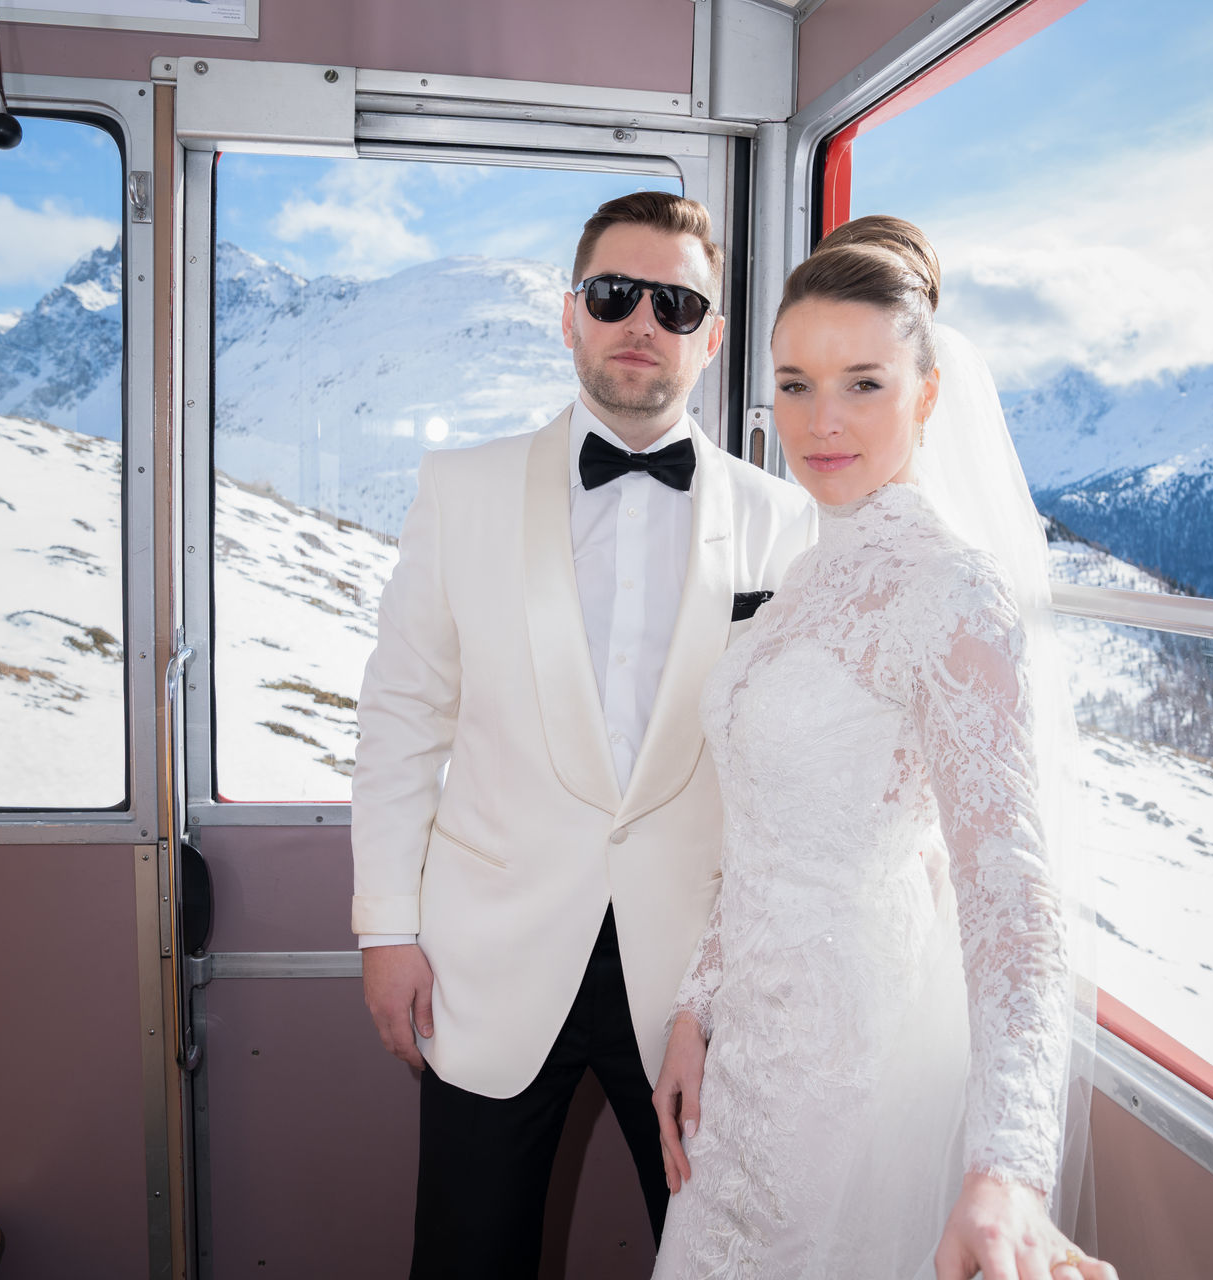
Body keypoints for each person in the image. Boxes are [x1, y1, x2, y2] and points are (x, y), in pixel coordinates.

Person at [351, 191, 816, 1279]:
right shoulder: (456, 490)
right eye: (615, 294)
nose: (640, 320)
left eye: (675, 301)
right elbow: (403, 713)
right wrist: (386, 926)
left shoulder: (787, 525)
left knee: (717, 1263)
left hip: (701, 988)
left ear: (707, 336)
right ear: (570, 315)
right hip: (486, 958)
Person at [648, 216, 1113, 1280]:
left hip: (855, 1062)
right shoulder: (812, 569)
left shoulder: (953, 595)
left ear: (928, 394)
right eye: (796, 384)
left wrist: (1006, 1166)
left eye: (862, 382)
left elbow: (1012, 895)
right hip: (748, 1059)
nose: (821, 420)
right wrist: (694, 1006)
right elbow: (763, 829)